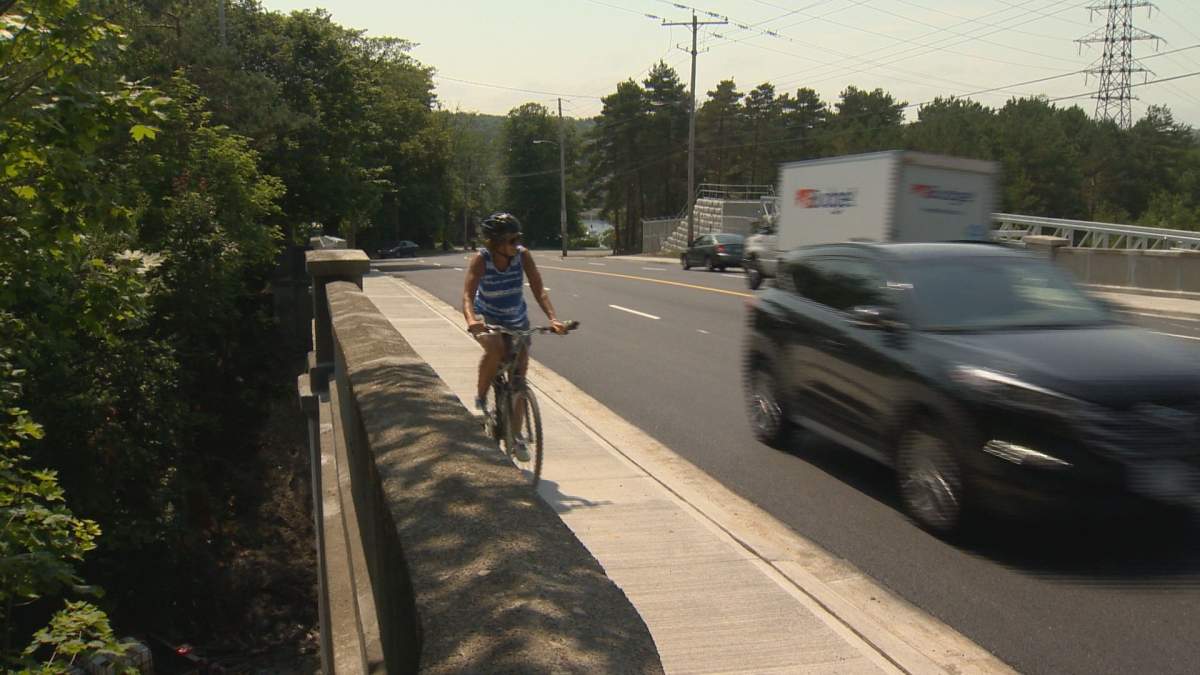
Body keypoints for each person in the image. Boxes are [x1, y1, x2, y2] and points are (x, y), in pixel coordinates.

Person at [462, 212, 566, 458]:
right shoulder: (481, 259)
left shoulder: (523, 256)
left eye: (518, 239)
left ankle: (516, 437)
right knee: (496, 347)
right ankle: (479, 400)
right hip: (487, 317)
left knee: (518, 377)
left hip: (516, 318)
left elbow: (539, 289)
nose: (516, 244)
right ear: (496, 242)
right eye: (511, 240)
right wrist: (472, 320)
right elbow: (468, 295)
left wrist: (553, 318)